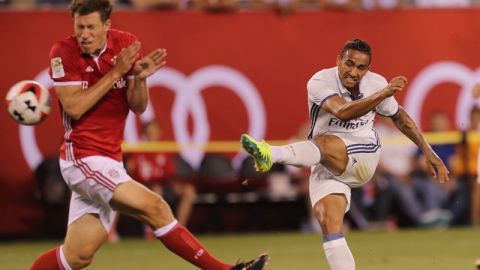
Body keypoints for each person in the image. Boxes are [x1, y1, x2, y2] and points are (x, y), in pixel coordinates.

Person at [30, 1, 268, 269]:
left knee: (77, 256)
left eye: (90, 27)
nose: (83, 33)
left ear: (106, 25)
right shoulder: (63, 51)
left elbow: (138, 106)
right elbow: (73, 108)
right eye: (79, 26)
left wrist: (140, 79)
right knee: (157, 207)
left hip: (110, 159)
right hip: (82, 159)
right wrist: (116, 72)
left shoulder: (126, 44)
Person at [241, 39, 449, 270]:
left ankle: (270, 153)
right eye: (349, 63)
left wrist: (428, 151)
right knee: (329, 223)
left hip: (363, 153)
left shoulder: (376, 84)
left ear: (367, 69)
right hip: (326, 159)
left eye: (361, 68)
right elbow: (342, 112)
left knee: (323, 142)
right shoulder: (320, 81)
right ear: (338, 60)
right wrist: (383, 94)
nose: (353, 72)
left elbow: (399, 117)